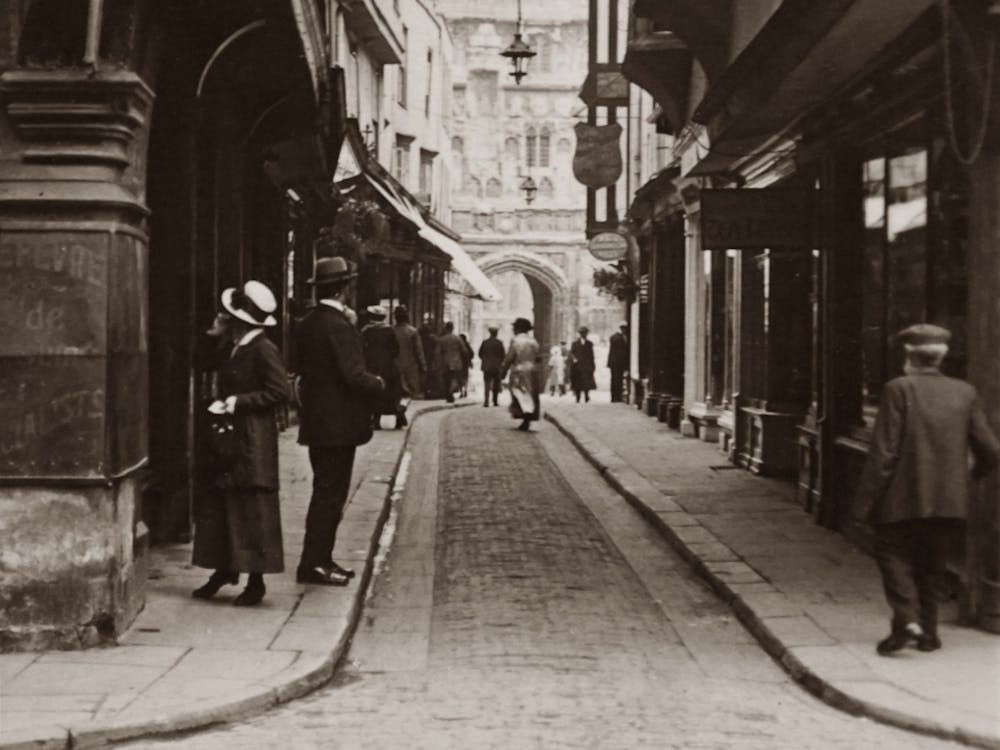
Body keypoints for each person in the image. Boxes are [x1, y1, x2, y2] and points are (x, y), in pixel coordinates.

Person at [854, 324, 999, 655]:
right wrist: (966, 480)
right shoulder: (965, 392)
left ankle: (907, 620)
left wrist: (864, 505)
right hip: (949, 502)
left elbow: (884, 455)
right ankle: (928, 634)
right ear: (940, 358)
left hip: (901, 501)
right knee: (932, 567)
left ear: (909, 356)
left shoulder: (898, 389)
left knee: (892, 555)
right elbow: (990, 450)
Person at [192, 280, 289, 607]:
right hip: (233, 435)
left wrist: (236, 402)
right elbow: (201, 360)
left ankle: (256, 581)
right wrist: (214, 332)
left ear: (243, 320)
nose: (225, 318)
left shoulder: (262, 348)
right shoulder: (235, 344)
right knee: (224, 504)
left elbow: (279, 392)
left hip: (252, 438)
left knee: (252, 509)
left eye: (230, 316)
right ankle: (224, 569)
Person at [294, 257, 385, 586]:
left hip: (317, 424)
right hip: (338, 427)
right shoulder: (339, 325)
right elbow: (353, 375)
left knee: (323, 493)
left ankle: (317, 559)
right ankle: (316, 564)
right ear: (345, 288)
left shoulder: (307, 322)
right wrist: (379, 384)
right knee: (330, 497)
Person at [361, 305, 405, 430]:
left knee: (373, 392)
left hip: (371, 366)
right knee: (393, 391)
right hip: (388, 366)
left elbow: (361, 348)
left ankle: (375, 419)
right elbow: (396, 350)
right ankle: (398, 418)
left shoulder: (366, 331)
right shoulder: (389, 330)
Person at [501, 317, 541, 431]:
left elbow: (509, 358)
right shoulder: (534, 341)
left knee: (520, 394)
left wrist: (503, 371)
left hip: (519, 371)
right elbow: (538, 358)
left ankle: (524, 416)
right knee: (530, 394)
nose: (513, 329)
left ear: (519, 328)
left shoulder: (515, 341)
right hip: (532, 371)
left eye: (515, 327)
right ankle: (528, 418)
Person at [393, 305, 425, 403]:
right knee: (411, 395)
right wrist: (423, 365)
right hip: (411, 367)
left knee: (397, 394)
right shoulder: (412, 331)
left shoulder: (391, 331)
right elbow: (419, 351)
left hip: (395, 367)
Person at [437, 321, 465, 404]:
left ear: (446, 328)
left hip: (445, 361)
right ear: (452, 328)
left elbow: (437, 352)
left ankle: (448, 394)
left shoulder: (442, 339)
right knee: (454, 378)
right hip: (456, 361)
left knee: (446, 379)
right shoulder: (457, 339)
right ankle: (450, 393)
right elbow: (463, 350)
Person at [478, 325, 505, 407]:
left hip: (487, 366)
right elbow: (503, 355)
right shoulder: (499, 343)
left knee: (487, 383)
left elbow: (480, 353)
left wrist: (485, 359)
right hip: (496, 367)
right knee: (496, 384)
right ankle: (495, 401)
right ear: (496, 334)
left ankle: (486, 401)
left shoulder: (485, 342)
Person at [569, 326, 596, 403]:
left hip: (586, 366)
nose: (583, 335)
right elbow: (571, 353)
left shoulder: (590, 344)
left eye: (585, 333)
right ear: (580, 334)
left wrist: (592, 365)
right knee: (578, 382)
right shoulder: (575, 344)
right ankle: (578, 396)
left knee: (586, 381)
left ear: (587, 334)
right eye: (582, 333)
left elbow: (591, 356)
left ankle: (586, 395)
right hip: (577, 366)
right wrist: (574, 359)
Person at [608, 323, 629, 403]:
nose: (625, 331)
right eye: (624, 329)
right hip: (616, 363)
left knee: (616, 380)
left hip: (615, 363)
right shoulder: (617, 337)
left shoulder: (617, 337)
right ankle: (615, 397)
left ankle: (615, 397)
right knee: (616, 380)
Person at [458, 333, 474, 398]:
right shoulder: (467, 345)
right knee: (465, 378)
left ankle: (462, 391)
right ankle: (465, 390)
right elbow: (472, 354)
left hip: (460, 363)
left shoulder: (459, 345)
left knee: (460, 378)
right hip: (465, 363)